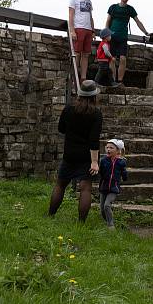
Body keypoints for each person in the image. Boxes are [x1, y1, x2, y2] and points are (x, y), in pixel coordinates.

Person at [48, 80, 102, 222]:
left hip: (70, 153)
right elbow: (94, 140)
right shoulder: (96, 114)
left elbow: (61, 129)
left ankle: (51, 214)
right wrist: (95, 162)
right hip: (86, 156)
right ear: (94, 96)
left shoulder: (68, 109)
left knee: (60, 184)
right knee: (85, 189)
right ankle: (81, 222)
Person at [105, 0, 149, 85]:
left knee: (123, 58)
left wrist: (145, 32)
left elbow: (138, 21)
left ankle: (120, 80)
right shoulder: (113, 7)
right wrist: (106, 34)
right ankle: (112, 80)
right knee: (112, 59)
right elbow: (108, 21)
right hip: (112, 37)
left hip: (123, 37)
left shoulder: (130, 9)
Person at [68, 0, 95, 82]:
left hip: (88, 29)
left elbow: (91, 17)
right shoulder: (74, 0)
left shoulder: (89, 2)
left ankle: (83, 77)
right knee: (77, 53)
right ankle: (75, 75)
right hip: (79, 28)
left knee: (86, 54)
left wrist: (93, 30)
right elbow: (70, 15)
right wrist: (72, 30)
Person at [98, 138, 128, 229]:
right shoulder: (103, 161)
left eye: (111, 148)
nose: (108, 149)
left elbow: (124, 172)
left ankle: (111, 225)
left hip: (114, 188)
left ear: (118, 150)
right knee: (102, 209)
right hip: (104, 187)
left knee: (107, 205)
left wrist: (124, 177)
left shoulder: (121, 162)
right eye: (107, 148)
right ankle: (107, 221)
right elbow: (101, 172)